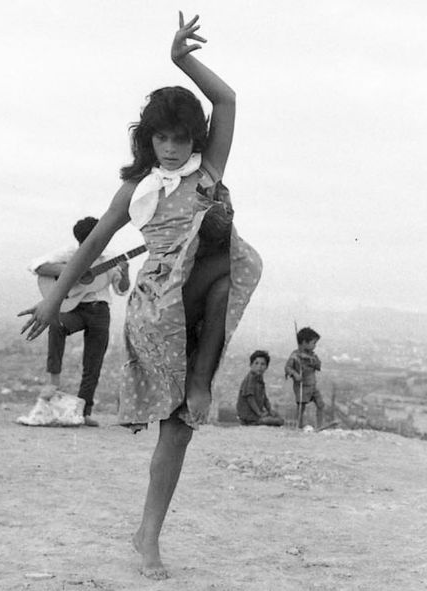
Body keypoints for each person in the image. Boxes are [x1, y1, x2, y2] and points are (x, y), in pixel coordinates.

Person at [19, 13, 262, 579]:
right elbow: (96, 244)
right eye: (162, 137)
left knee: (178, 429)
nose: (172, 148)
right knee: (222, 261)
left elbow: (225, 102)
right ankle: (195, 389)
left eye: (181, 138)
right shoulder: (138, 189)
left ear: (194, 140)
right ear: (147, 138)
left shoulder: (209, 171)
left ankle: (147, 535)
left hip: (203, 301)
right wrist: (55, 302)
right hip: (159, 305)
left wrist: (181, 60)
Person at [29, 216, 130, 426]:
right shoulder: (69, 253)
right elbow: (37, 266)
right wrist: (70, 272)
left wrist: (126, 271)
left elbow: (121, 290)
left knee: (93, 361)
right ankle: (53, 380)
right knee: (56, 325)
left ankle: (84, 412)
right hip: (73, 307)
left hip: (99, 310)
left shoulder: (109, 258)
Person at [285, 326, 324, 429]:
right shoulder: (295, 356)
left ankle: (319, 426)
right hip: (302, 386)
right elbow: (288, 368)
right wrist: (295, 374)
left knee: (320, 404)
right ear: (304, 342)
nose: (315, 346)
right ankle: (298, 426)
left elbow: (318, 366)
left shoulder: (312, 356)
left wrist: (312, 361)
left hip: (312, 385)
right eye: (313, 343)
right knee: (301, 408)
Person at [236, 350, 284, 426]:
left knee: (279, 418)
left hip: (256, 414)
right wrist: (259, 413)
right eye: (256, 363)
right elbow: (250, 398)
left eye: (262, 364)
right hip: (249, 417)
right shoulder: (250, 378)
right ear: (251, 365)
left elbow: (264, 397)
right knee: (277, 421)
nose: (259, 367)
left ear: (266, 367)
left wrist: (269, 410)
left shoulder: (259, 379)